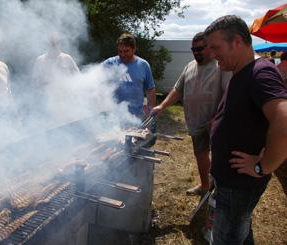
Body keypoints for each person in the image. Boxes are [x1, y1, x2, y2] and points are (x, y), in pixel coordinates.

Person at [204, 15, 287, 244]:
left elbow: (285, 123)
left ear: (237, 41)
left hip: (238, 186)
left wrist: (263, 166)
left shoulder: (260, 72)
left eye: (216, 47)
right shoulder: (241, 72)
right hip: (231, 183)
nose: (212, 54)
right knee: (241, 232)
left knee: (227, 238)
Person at [152, 32, 231, 195]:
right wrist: (162, 106)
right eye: (193, 49)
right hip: (196, 122)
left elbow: (229, 94)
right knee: (200, 154)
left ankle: (221, 190)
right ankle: (205, 185)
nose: (196, 52)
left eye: (200, 49)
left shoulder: (220, 66)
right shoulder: (189, 66)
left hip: (217, 124)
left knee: (220, 158)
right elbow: (177, 89)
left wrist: (218, 117)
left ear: (209, 47)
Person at [103, 33, 156, 120]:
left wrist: (151, 110)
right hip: (113, 116)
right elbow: (95, 80)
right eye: (120, 51)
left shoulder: (143, 65)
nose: (123, 55)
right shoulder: (109, 63)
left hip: (137, 116)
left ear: (134, 49)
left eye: (126, 51)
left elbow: (150, 89)